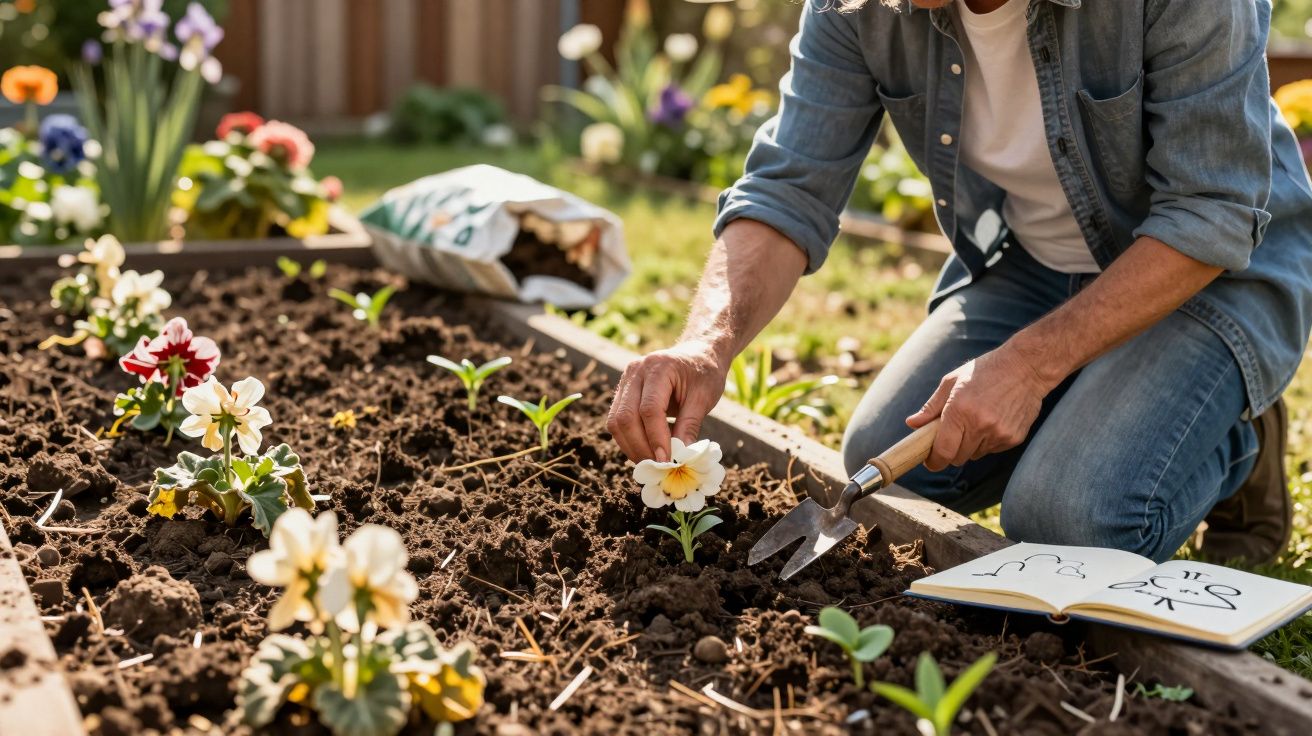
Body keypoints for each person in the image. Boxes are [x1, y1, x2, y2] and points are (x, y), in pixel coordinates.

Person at [606, 0, 1312, 564]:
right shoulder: (861, 7)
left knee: (1068, 522)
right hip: (1036, 267)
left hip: (1206, 277)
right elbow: (789, 188)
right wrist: (706, 344)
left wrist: (1029, 366)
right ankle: (1097, 396)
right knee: (895, 465)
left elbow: (1210, 212)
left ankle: (1236, 441)